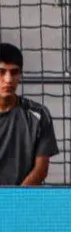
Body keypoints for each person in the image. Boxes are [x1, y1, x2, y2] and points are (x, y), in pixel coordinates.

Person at [0, 43, 59, 186]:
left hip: (24, 197)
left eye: (14, 72)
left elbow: (41, 169)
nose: (8, 79)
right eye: (1, 72)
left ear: (20, 75)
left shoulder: (39, 115)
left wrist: (17, 197)